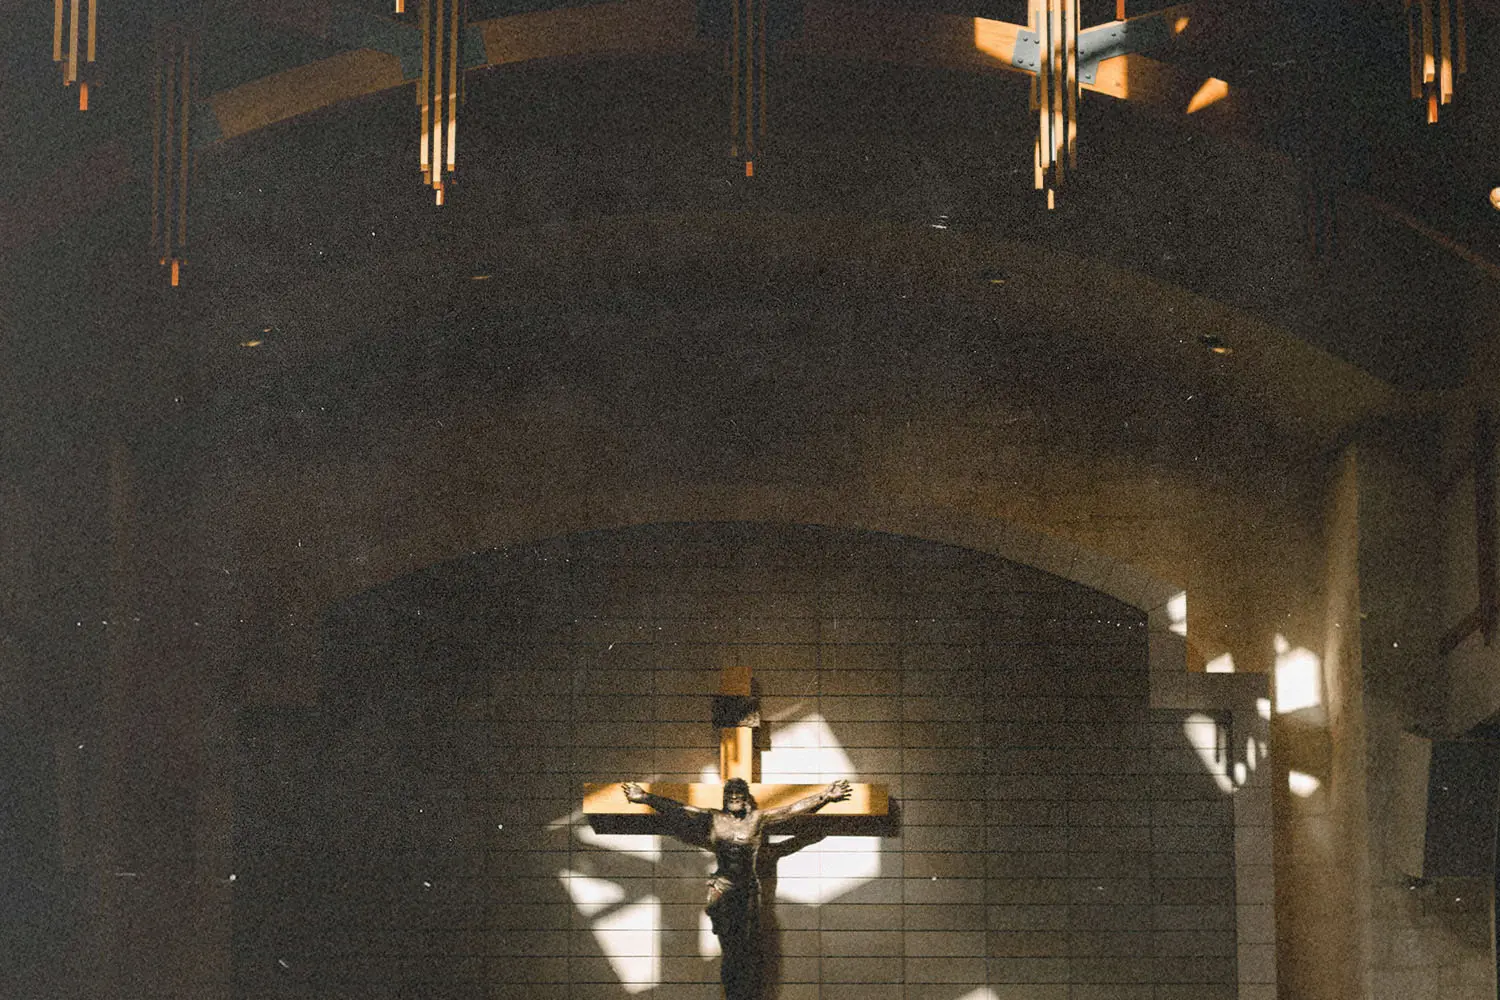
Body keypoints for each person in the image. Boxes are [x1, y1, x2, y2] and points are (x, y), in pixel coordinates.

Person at [620, 777, 851, 1000]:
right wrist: (645, 797)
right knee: (730, 950)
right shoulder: (713, 818)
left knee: (749, 949)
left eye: (738, 795)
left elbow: (790, 810)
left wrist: (825, 797)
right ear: (724, 798)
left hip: (747, 890)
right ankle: (733, 994)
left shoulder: (758, 819)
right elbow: (680, 809)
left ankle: (748, 994)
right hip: (722, 889)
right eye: (729, 795)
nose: (734, 799)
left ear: (746, 799)